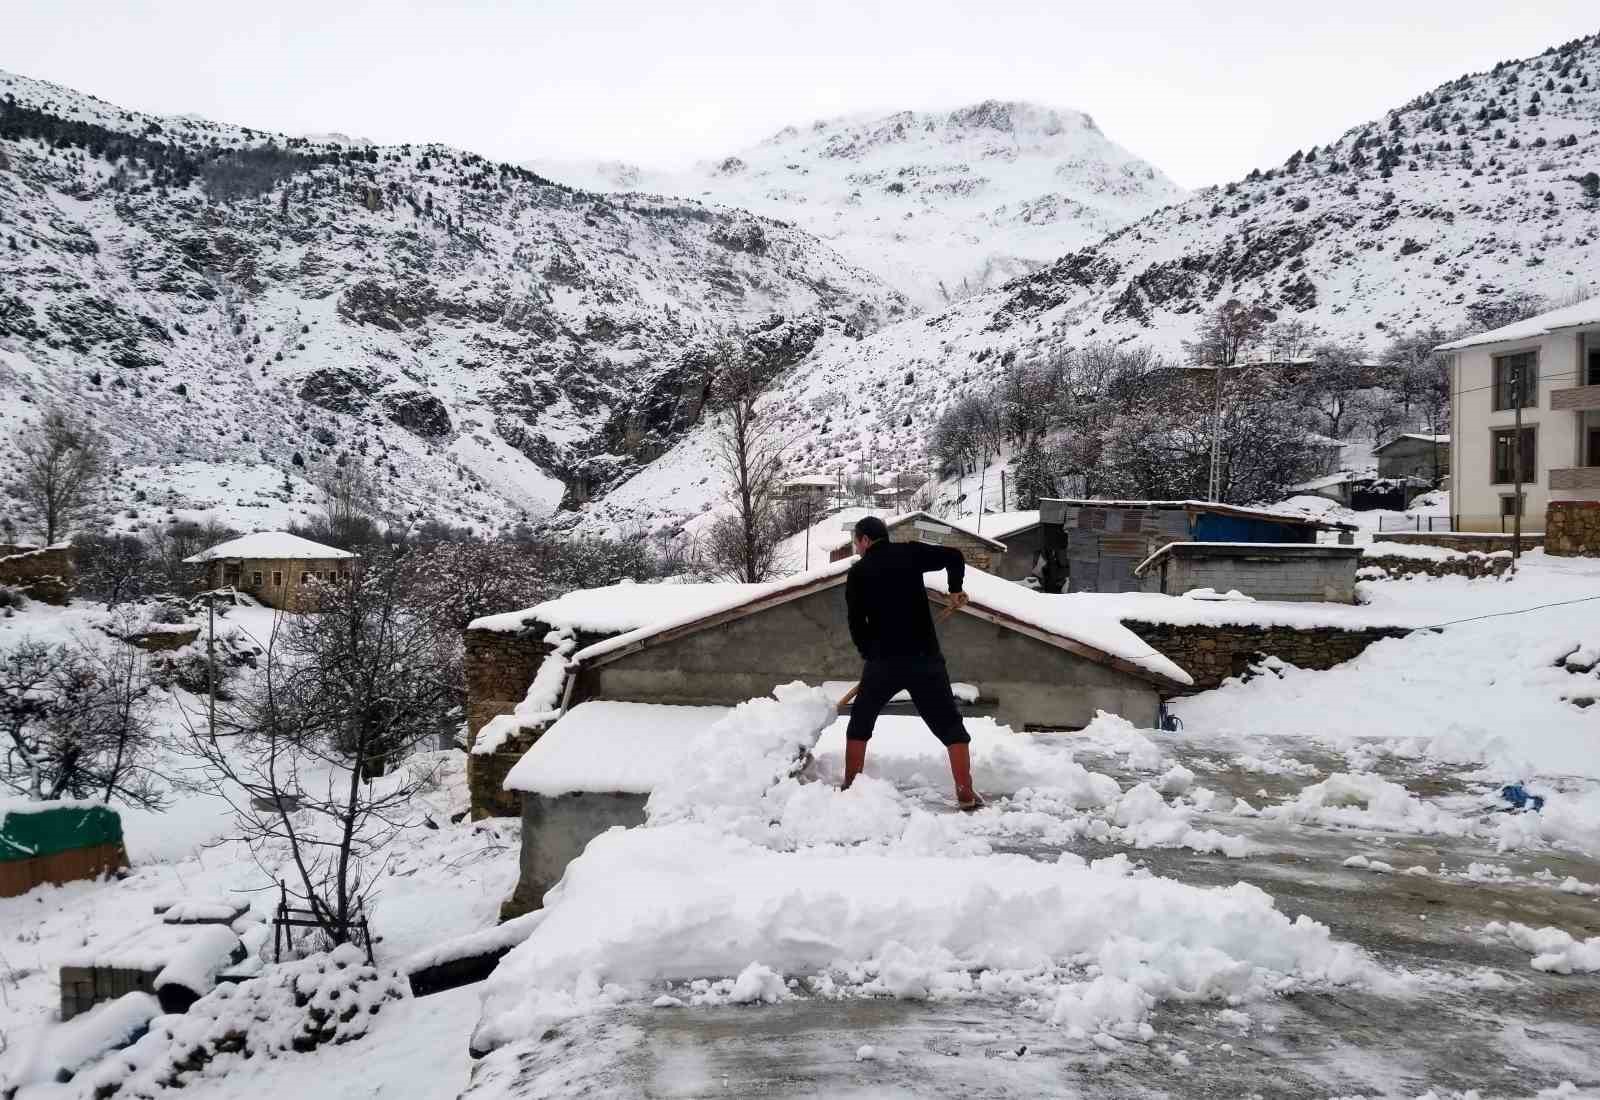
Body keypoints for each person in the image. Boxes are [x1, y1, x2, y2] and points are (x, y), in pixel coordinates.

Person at [842, 515, 982, 810]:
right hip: (925, 659)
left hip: (883, 661)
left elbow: (856, 622)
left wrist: (870, 653)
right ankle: (965, 792)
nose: (856, 548)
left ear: (866, 540)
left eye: (856, 542)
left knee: (860, 722)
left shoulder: (859, 572)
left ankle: (851, 787)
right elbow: (954, 556)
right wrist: (955, 588)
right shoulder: (909, 552)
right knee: (950, 725)